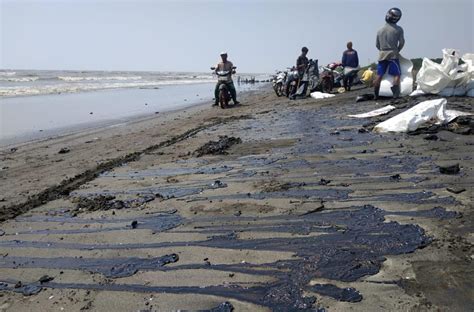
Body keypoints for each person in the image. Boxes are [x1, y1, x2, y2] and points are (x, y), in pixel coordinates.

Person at [374, 7, 405, 99]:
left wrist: (382, 50)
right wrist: (397, 50)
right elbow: (402, 42)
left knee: (379, 75)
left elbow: (377, 44)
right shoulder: (398, 29)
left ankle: (376, 95)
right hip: (393, 54)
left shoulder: (380, 30)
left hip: (382, 54)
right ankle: (395, 95)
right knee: (397, 74)